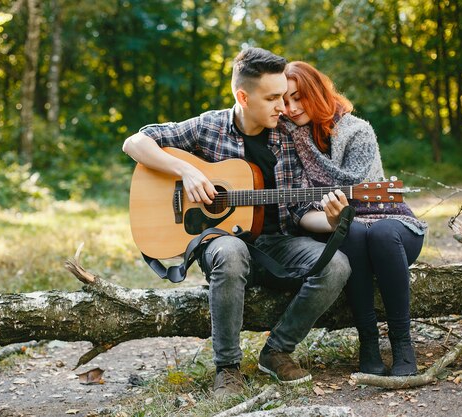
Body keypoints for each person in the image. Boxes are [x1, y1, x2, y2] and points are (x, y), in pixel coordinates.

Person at [122, 48, 351, 398]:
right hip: (220, 240)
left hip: (276, 244)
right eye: (273, 97)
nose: (283, 107)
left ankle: (277, 351)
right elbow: (135, 142)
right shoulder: (208, 126)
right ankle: (227, 369)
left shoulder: (289, 136)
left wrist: (333, 221)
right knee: (230, 250)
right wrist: (187, 171)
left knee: (336, 264)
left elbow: (299, 211)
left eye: (283, 97)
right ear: (243, 96)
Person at [281, 61, 427, 376]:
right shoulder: (285, 138)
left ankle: (402, 343)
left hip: (392, 224)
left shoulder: (357, 130)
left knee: (380, 234)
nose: (291, 108)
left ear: (316, 93)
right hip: (342, 232)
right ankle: (369, 343)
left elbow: (350, 183)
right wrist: (332, 220)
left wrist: (304, 143)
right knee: (353, 234)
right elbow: (300, 209)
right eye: (285, 100)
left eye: (298, 97)